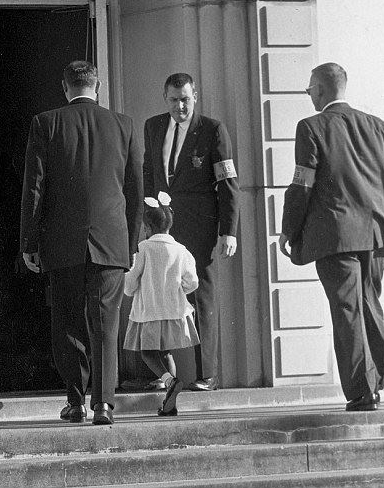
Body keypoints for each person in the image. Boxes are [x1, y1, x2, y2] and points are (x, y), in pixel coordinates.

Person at [20, 60, 143, 425]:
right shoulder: (124, 125)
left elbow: (34, 188)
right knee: (106, 323)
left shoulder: (46, 123)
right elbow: (136, 189)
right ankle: (104, 404)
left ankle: (75, 401)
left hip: (61, 241)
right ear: (97, 86)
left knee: (68, 322)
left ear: (65, 87)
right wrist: (131, 242)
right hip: (111, 241)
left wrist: (29, 241)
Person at [279, 62, 384, 412]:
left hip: (335, 235)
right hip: (377, 234)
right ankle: (375, 383)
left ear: (319, 90)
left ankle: (363, 391)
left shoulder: (310, 127)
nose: (309, 96)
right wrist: (376, 207)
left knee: (346, 310)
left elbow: (302, 184)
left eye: (309, 90)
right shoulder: (377, 126)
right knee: (369, 305)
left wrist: (289, 229)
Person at [143, 73, 240, 391]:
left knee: (200, 297)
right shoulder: (154, 126)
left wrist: (229, 230)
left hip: (200, 227)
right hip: (163, 228)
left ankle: (206, 374)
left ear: (195, 96)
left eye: (185, 99)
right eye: (173, 99)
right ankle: (164, 375)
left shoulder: (212, 130)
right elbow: (148, 173)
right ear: (165, 98)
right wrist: (147, 218)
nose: (179, 106)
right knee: (161, 297)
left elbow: (227, 183)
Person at [124, 192, 199, 416]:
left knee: (148, 354)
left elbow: (131, 281)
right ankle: (170, 403)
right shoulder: (181, 250)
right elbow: (192, 281)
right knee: (166, 354)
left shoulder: (143, 249)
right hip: (173, 312)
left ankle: (169, 381)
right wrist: (178, 291)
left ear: (147, 227)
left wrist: (130, 290)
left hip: (149, 312)